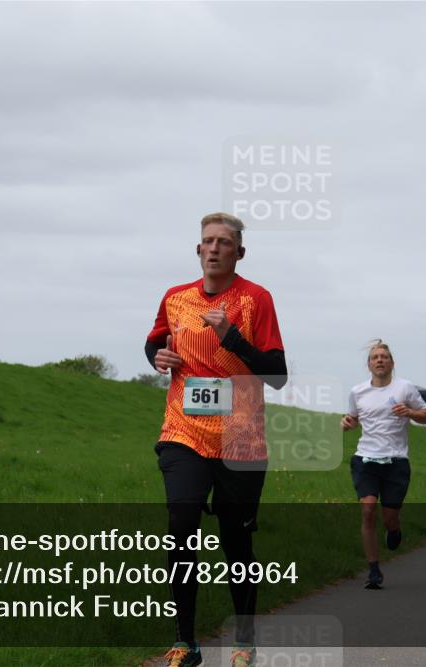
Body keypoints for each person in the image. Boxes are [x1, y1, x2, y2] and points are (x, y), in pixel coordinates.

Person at [145, 212, 287, 667]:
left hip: (240, 439)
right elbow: (154, 341)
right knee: (181, 528)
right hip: (182, 431)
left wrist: (231, 337)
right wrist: (159, 356)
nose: (214, 248)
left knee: (236, 543)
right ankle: (185, 643)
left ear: (239, 252)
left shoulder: (256, 299)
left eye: (224, 242)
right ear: (198, 250)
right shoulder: (175, 298)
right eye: (207, 241)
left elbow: (277, 375)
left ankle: (243, 640)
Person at [341, 340, 426, 590]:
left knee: (389, 518)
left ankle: (394, 530)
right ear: (369, 365)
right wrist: (347, 423)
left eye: (384, 356)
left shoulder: (405, 388)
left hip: (396, 462)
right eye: (375, 357)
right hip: (365, 459)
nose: (380, 360)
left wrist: (410, 413)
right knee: (368, 510)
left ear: (392, 363)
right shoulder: (357, 391)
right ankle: (373, 570)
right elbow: (353, 418)